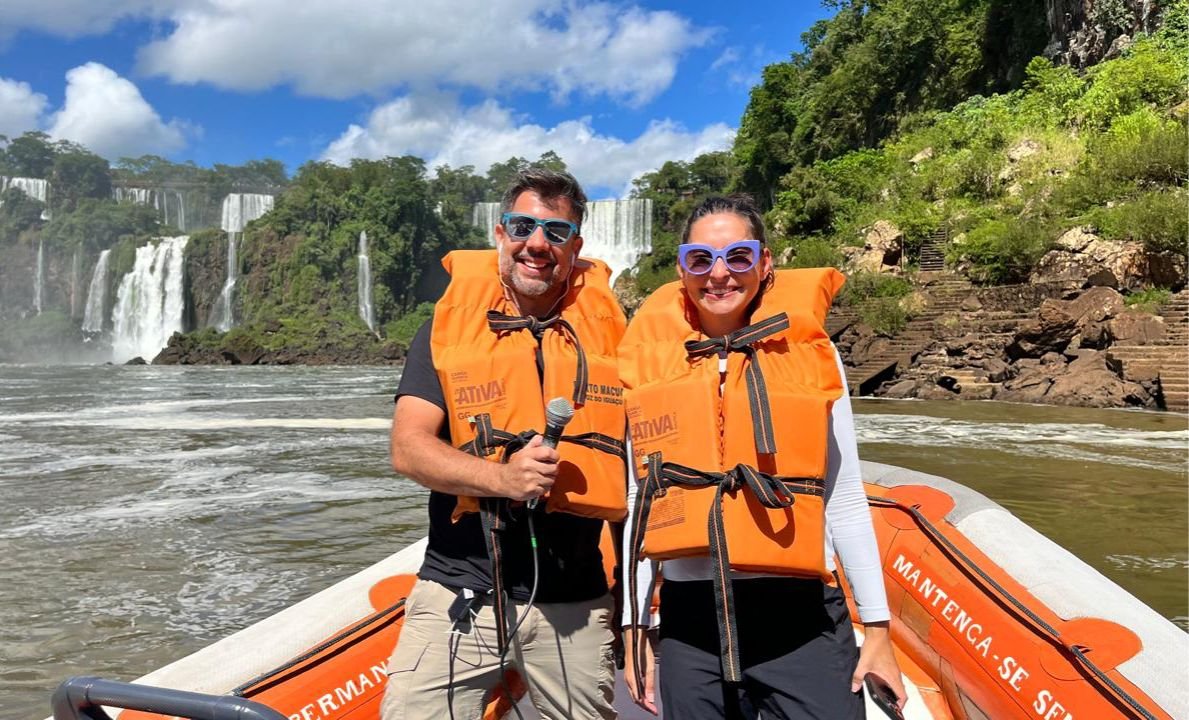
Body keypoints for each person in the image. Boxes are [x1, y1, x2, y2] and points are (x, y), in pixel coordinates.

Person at [619, 194, 906, 719]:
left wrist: (878, 630)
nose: (719, 274)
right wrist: (635, 626)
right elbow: (642, 499)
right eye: (700, 259)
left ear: (765, 262)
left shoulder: (813, 355)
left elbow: (842, 496)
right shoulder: (649, 364)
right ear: (682, 269)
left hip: (800, 617)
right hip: (692, 623)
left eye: (739, 256)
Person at [381, 169, 627, 720]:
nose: (537, 243)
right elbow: (408, 447)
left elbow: (635, 474)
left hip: (575, 603)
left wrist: (632, 613)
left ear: (575, 248)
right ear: (500, 233)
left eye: (556, 232)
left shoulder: (616, 341)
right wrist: (502, 478)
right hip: (459, 590)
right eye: (522, 226)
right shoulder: (445, 330)